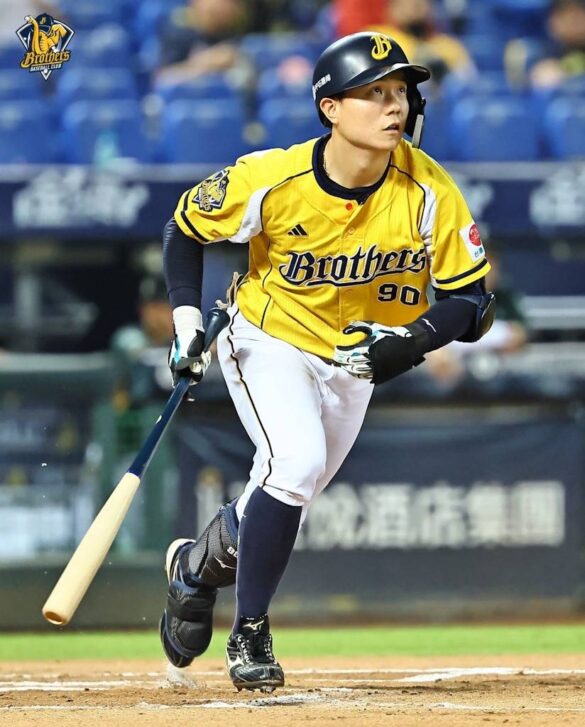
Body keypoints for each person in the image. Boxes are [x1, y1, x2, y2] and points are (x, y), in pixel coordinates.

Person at [159, 31, 495, 692]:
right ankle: (249, 630)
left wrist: (413, 340)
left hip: (353, 358)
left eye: (400, 92)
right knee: (296, 464)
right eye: (374, 93)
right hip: (268, 337)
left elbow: (471, 301)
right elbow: (184, 228)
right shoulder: (271, 177)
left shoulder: (428, 188)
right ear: (330, 108)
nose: (394, 105)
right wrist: (186, 322)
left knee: (289, 489)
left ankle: (195, 568)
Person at [370, 0, 475, 84]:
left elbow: (468, 84)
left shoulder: (449, 45)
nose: (415, 4)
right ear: (391, 7)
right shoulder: (377, 38)